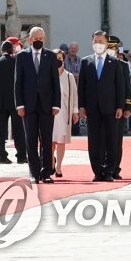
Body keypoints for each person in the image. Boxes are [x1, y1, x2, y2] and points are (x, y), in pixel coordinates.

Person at [77, 30, 127, 182]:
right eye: (95, 41)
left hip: (110, 107)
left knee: (112, 140)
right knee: (94, 140)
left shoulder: (115, 62)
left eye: (101, 41)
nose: (98, 44)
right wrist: (81, 106)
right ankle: (98, 171)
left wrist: (120, 106)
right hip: (92, 108)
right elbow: (82, 86)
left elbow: (120, 86)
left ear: (107, 43)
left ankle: (109, 171)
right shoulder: (86, 62)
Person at [14, 27, 61, 183]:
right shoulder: (21, 57)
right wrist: (19, 105)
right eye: (36, 38)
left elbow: (55, 82)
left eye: (41, 38)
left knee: (47, 141)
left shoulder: (51, 56)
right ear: (29, 39)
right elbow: (18, 83)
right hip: (28, 106)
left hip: (47, 106)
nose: (38, 41)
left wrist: (56, 104)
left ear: (45, 39)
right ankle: (34, 173)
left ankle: (46, 172)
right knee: (31, 141)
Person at [0, 38, 26, 165]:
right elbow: (22, 83)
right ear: (11, 50)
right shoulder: (16, 63)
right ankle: (21, 156)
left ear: (1, 50)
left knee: (0, 132)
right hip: (15, 102)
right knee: (18, 130)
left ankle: (2, 156)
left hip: (0, 103)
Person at [107, 36, 131, 179]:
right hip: (104, 107)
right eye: (109, 48)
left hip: (119, 108)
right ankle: (105, 167)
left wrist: (128, 107)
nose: (112, 50)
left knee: (117, 140)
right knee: (104, 140)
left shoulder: (122, 65)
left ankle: (115, 168)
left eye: (113, 48)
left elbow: (127, 88)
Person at [51, 49, 78, 177]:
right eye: (55, 58)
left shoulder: (69, 76)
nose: (58, 61)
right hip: (50, 113)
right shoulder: (47, 74)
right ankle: (51, 162)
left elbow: (74, 95)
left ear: (63, 60)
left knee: (61, 140)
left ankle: (59, 167)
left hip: (63, 113)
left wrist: (75, 112)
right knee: (50, 141)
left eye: (60, 58)